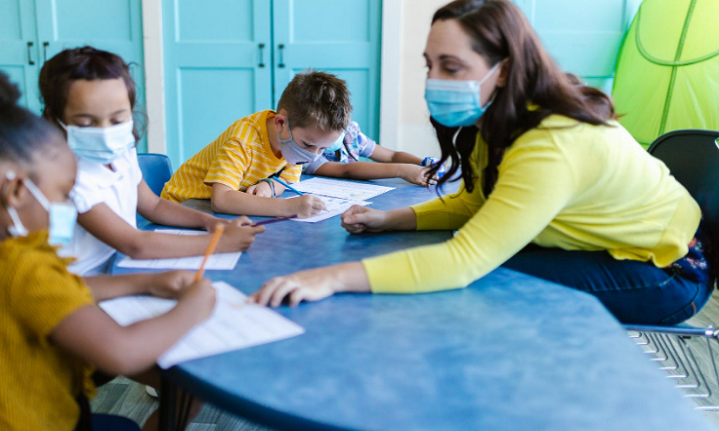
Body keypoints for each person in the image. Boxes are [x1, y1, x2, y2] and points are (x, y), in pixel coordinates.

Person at [249, 0, 713, 327]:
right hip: (614, 250)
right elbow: (475, 204)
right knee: (463, 269)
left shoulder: (551, 142)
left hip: (667, 272)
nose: (434, 81)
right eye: (430, 65)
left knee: (486, 284)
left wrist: (327, 277)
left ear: (505, 70)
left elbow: (465, 260)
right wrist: (389, 219)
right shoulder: (490, 120)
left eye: (451, 67)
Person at [0, 58, 215, 431]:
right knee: (181, 379)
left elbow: (51, 288)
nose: (66, 207)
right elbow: (122, 351)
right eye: (61, 195)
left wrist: (146, 280)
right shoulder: (22, 268)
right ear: (15, 193)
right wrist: (195, 306)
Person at [39, 47, 262, 275]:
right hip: (83, 280)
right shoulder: (67, 178)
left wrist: (209, 222)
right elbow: (134, 244)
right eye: (86, 123)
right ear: (54, 120)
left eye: (117, 119)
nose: (106, 132)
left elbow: (153, 205)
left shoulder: (121, 152)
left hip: (120, 263)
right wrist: (221, 244)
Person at [161, 70, 349, 218]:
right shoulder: (243, 140)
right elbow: (221, 199)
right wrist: (287, 207)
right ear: (281, 123)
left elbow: (287, 178)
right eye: (308, 145)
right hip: (178, 210)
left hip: (214, 213)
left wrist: (269, 186)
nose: (314, 155)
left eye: (323, 149)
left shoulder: (293, 142)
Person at [302, 119, 441, 186]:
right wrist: (402, 170)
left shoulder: (351, 131)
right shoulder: (307, 148)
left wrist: (423, 164)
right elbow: (345, 170)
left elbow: (391, 156)